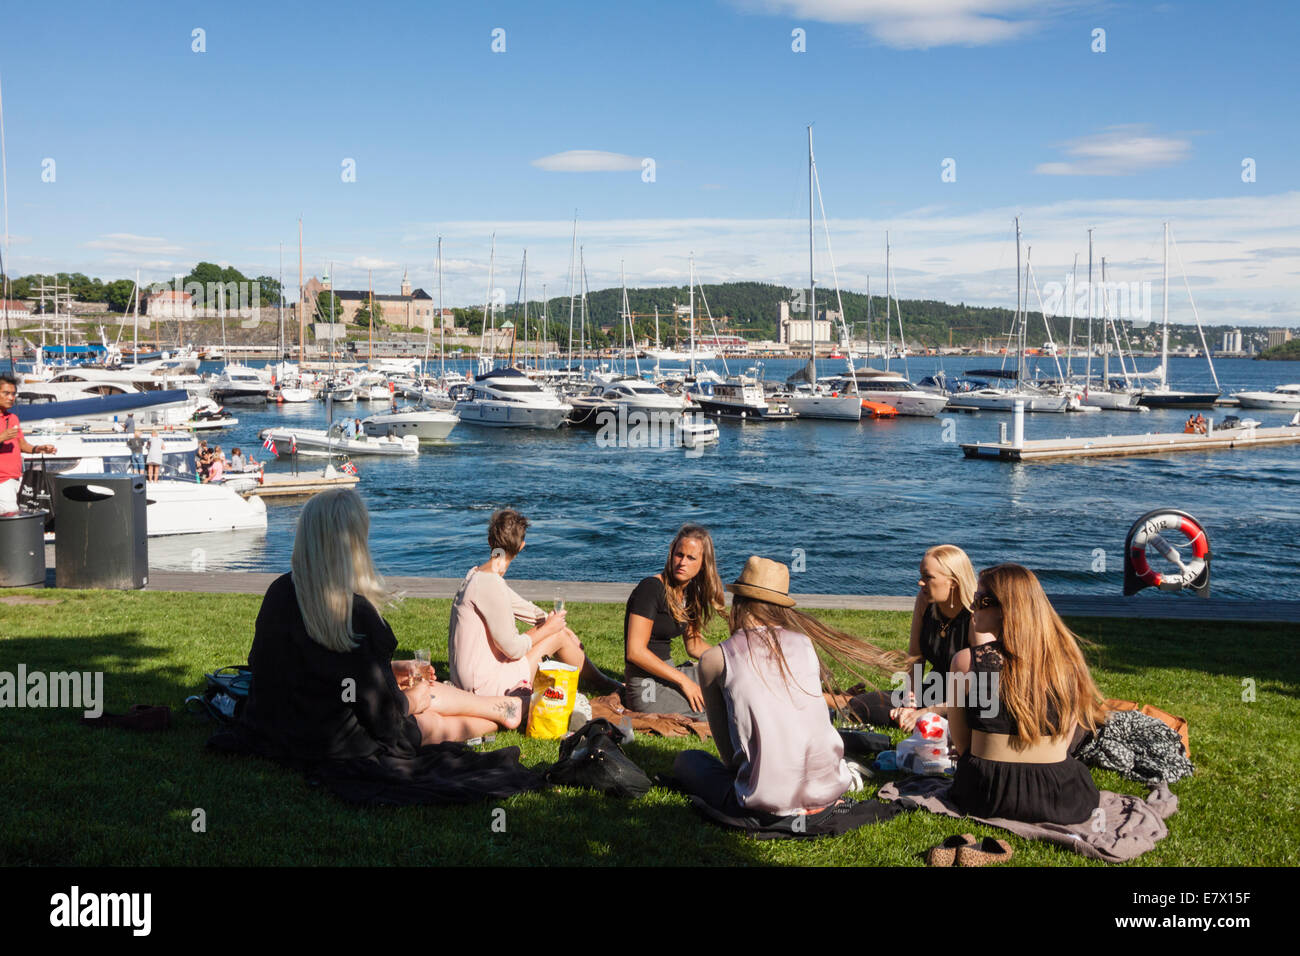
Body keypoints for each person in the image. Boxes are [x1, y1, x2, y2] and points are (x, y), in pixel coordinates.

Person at [240, 489, 527, 759]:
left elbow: (311, 665)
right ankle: (504, 713)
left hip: (281, 726)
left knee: (425, 689)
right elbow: (385, 723)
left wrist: (388, 670)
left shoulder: (279, 591)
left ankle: (503, 709)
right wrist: (412, 701)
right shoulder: (355, 612)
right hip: (335, 740)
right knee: (428, 717)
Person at [673, 556, 903, 821]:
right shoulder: (804, 644)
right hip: (826, 792)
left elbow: (728, 757)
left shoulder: (714, 659)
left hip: (763, 801)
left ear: (737, 602)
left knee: (688, 761)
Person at [946, 563, 1105, 824]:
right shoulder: (1069, 664)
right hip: (1059, 793)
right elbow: (1065, 743)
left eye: (980, 600)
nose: (972, 607)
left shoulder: (964, 663)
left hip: (985, 793)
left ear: (1006, 608)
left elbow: (963, 746)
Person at [448, 509, 621, 705]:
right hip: (484, 687)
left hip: (467, 680)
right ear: (522, 546)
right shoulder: (490, 585)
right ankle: (607, 684)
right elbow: (513, 649)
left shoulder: (477, 576)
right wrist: (551, 630)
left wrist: (558, 624)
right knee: (557, 637)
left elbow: (525, 608)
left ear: (490, 541)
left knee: (558, 633)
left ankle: (604, 682)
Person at [848, 544, 976, 731]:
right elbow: (915, 658)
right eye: (921, 576)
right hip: (934, 689)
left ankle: (932, 722)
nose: (920, 583)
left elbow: (980, 689)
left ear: (953, 581)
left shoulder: (975, 616)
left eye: (928, 577)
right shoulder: (925, 602)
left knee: (961, 716)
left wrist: (927, 711)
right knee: (861, 705)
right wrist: (910, 702)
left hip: (966, 700)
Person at [623, 524, 726, 717]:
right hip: (647, 688)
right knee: (719, 709)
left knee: (729, 681)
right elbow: (635, 652)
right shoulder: (651, 588)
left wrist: (731, 659)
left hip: (668, 674)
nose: (682, 563)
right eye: (679, 555)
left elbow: (694, 645)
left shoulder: (690, 593)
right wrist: (684, 681)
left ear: (703, 563)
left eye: (691, 558)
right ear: (672, 554)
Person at [0, 373, 57, 513]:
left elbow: (21, 445)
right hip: (2, 480)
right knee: (11, 512)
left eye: (13, 394)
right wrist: (2, 437)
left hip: (16, 478)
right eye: (6, 393)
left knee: (17, 514)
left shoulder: (12, 418)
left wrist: (39, 448)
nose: (11, 398)